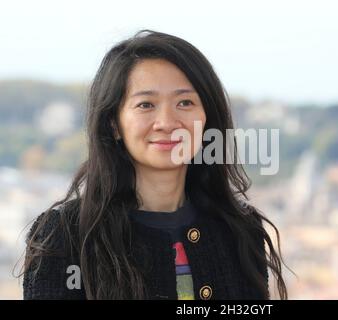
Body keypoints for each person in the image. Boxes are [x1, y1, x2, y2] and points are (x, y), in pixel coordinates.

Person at [22, 30, 288, 300]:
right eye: (146, 104)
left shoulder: (239, 230)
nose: (167, 122)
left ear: (207, 119)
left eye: (185, 102)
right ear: (114, 123)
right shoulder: (64, 237)